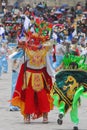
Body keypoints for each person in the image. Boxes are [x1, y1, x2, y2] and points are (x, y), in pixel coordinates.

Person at [11, 32, 54, 124]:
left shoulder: (44, 51)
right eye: (33, 40)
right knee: (29, 95)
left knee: (42, 95)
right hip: (29, 75)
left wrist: (51, 74)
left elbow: (47, 64)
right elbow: (22, 62)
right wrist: (16, 68)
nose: (35, 43)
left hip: (40, 75)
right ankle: (27, 115)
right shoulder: (27, 50)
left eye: (37, 40)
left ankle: (45, 115)